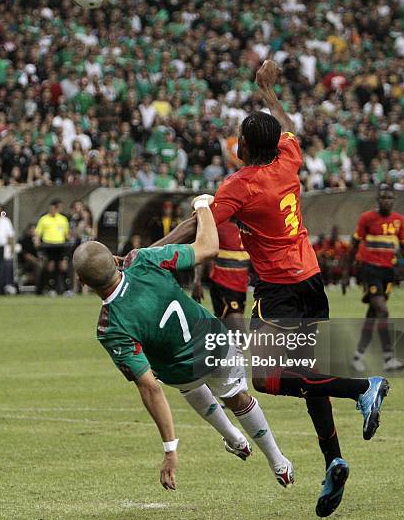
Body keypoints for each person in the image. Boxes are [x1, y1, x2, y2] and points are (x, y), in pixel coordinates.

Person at [151, 61, 390, 517]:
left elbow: (194, 226)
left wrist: (147, 252)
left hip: (280, 290)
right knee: (310, 371)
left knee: (266, 377)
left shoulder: (239, 187)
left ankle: (363, 386)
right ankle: (332, 459)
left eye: (239, 139)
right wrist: (268, 90)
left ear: (244, 147)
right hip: (312, 279)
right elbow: (289, 126)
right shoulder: (289, 159)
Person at [72, 200, 294, 492]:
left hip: (180, 371)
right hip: (215, 345)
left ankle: (232, 437)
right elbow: (207, 247)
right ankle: (278, 462)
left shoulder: (109, 326)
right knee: (237, 397)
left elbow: (150, 388)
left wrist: (170, 450)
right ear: (115, 260)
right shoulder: (142, 260)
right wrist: (203, 206)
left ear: (83, 282)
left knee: (190, 386)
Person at [348, 184, 404, 372]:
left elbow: (403, 247)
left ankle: (357, 357)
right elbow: (354, 245)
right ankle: (389, 358)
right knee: (382, 310)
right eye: (383, 197)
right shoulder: (367, 218)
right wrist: (347, 271)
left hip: (388, 272)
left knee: (373, 315)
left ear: (393, 200)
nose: (386, 200)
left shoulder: (399, 221)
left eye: (390, 197)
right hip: (370, 270)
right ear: (378, 200)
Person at [192, 220, 250, 328]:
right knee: (239, 333)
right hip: (222, 284)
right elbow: (203, 250)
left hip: (241, 287)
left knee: (225, 330)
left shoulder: (249, 223)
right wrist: (197, 281)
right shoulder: (218, 222)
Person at [35, 199, 71, 295]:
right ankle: (51, 289)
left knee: (63, 266)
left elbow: (67, 234)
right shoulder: (44, 219)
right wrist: (37, 240)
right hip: (48, 245)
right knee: (50, 267)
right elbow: (38, 233)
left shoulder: (63, 219)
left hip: (60, 245)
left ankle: (67, 289)